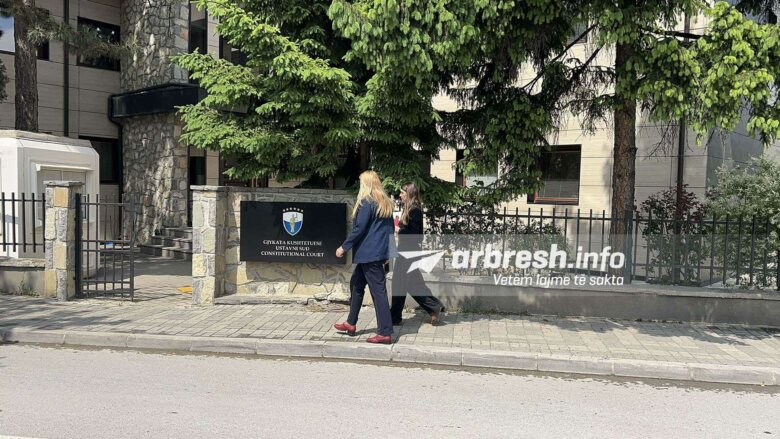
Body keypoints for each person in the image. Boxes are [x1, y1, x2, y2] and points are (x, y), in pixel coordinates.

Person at [333, 170, 395, 344]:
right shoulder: (385, 202)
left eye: (361, 182)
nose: (360, 185)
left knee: (378, 292)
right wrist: (390, 253)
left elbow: (359, 228)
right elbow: (391, 230)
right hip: (375, 254)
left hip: (369, 254)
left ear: (366, 184)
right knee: (357, 285)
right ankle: (350, 323)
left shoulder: (367, 202)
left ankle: (385, 332)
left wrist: (344, 247)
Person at [390, 182, 445, 326]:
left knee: (400, 284)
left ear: (409, 193)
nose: (400, 195)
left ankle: (395, 317)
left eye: (402, 192)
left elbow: (415, 235)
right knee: (411, 284)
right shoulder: (409, 209)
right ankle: (434, 307)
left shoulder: (414, 211)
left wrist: (398, 230)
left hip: (409, 253)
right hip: (406, 251)